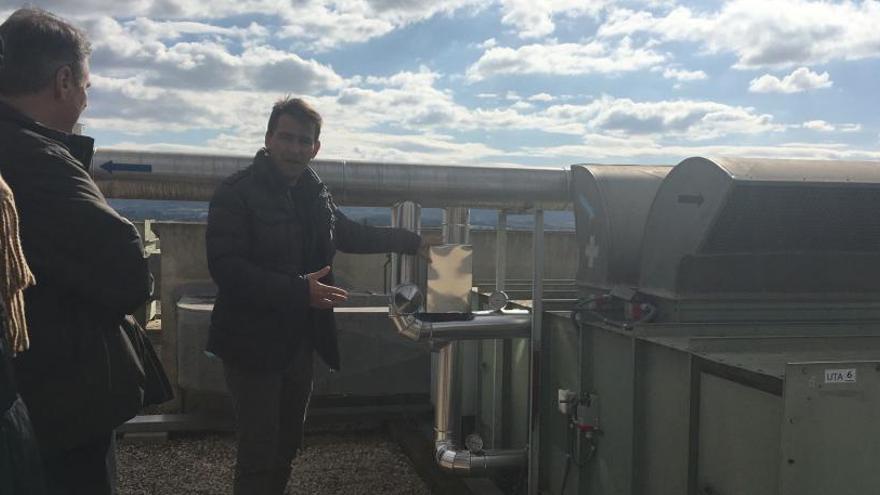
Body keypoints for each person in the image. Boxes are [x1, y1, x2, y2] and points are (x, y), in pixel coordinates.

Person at [206, 97, 426, 494]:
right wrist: (298, 290)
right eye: (286, 138)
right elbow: (226, 268)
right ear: (269, 139)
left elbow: (350, 234)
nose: (294, 149)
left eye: (303, 141)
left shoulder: (314, 193)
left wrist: (414, 242)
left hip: (299, 341)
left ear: (316, 148)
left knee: (287, 445)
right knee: (259, 451)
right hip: (250, 342)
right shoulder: (235, 193)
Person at [0, 8, 151, 494]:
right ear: (64, 81)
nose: (86, 99)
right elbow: (127, 272)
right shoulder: (38, 161)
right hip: (56, 399)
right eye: (86, 85)